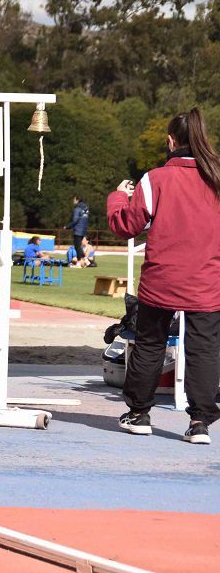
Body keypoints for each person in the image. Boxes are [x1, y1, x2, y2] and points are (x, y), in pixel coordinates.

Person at [108, 108, 220, 445]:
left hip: (162, 278)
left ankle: (139, 413)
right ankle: (200, 421)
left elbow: (125, 225)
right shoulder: (215, 177)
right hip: (207, 279)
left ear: (171, 142)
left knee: (150, 344)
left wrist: (117, 197)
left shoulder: (155, 179)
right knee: (204, 350)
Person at [65, 195, 90, 266]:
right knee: (78, 246)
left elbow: (75, 220)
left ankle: (80, 262)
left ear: (77, 200)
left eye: (74, 199)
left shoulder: (77, 209)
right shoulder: (86, 209)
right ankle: (85, 259)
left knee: (77, 246)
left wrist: (67, 227)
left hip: (78, 230)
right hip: (84, 230)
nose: (73, 201)